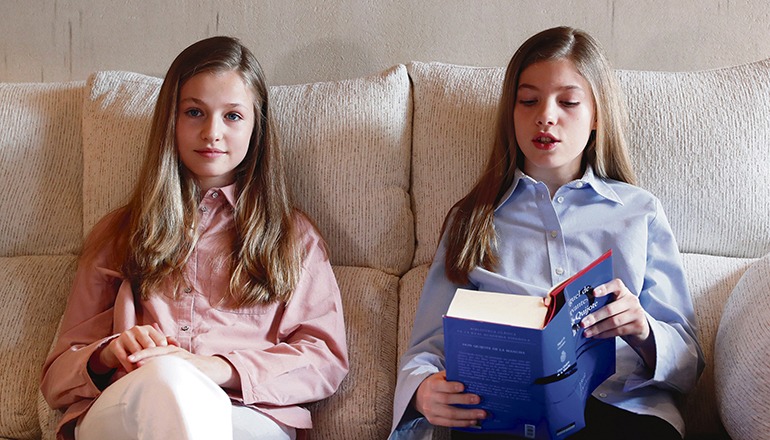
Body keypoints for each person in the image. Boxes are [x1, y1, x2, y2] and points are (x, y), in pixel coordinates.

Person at [390, 26, 704, 440]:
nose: (546, 116)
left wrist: (642, 329)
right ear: (512, 112)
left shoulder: (638, 212)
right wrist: (423, 392)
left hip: (620, 409)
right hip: (505, 416)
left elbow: (688, 363)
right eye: (528, 100)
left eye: (568, 101)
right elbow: (426, 349)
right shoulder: (472, 219)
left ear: (596, 117)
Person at [40, 36, 348, 440]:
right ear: (171, 119)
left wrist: (214, 368)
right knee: (165, 380)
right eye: (194, 112)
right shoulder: (118, 234)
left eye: (233, 116)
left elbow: (324, 360)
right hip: (131, 407)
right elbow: (57, 377)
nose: (212, 132)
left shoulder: (292, 238)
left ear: (257, 127)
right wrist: (107, 353)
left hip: (243, 414)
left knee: (179, 383)